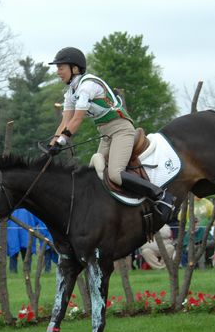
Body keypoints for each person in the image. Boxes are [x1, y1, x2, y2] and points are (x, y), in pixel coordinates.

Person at [47, 47, 174, 222]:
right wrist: (52, 143)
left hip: (121, 130)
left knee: (114, 173)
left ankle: (160, 196)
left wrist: (61, 141)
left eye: (61, 68)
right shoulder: (71, 92)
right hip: (106, 134)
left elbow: (76, 120)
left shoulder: (87, 86)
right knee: (94, 174)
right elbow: (64, 122)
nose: (58, 72)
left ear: (74, 68)